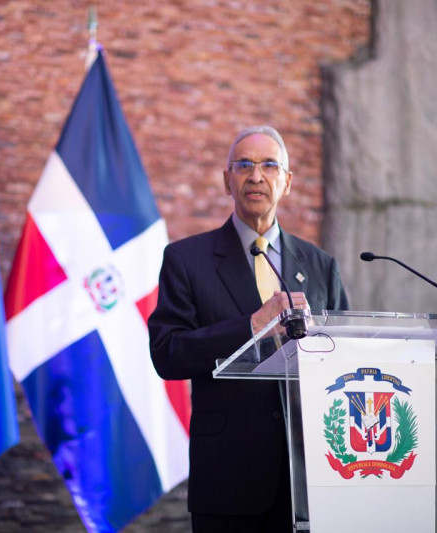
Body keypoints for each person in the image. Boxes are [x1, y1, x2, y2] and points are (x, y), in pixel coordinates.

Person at [148, 125, 349, 532]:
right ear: (227, 181)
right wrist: (251, 325)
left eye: (270, 165)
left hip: (310, 477)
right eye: (244, 165)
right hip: (228, 476)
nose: (256, 176)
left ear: (287, 182)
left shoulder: (319, 265)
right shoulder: (187, 260)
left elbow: (343, 358)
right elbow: (167, 354)